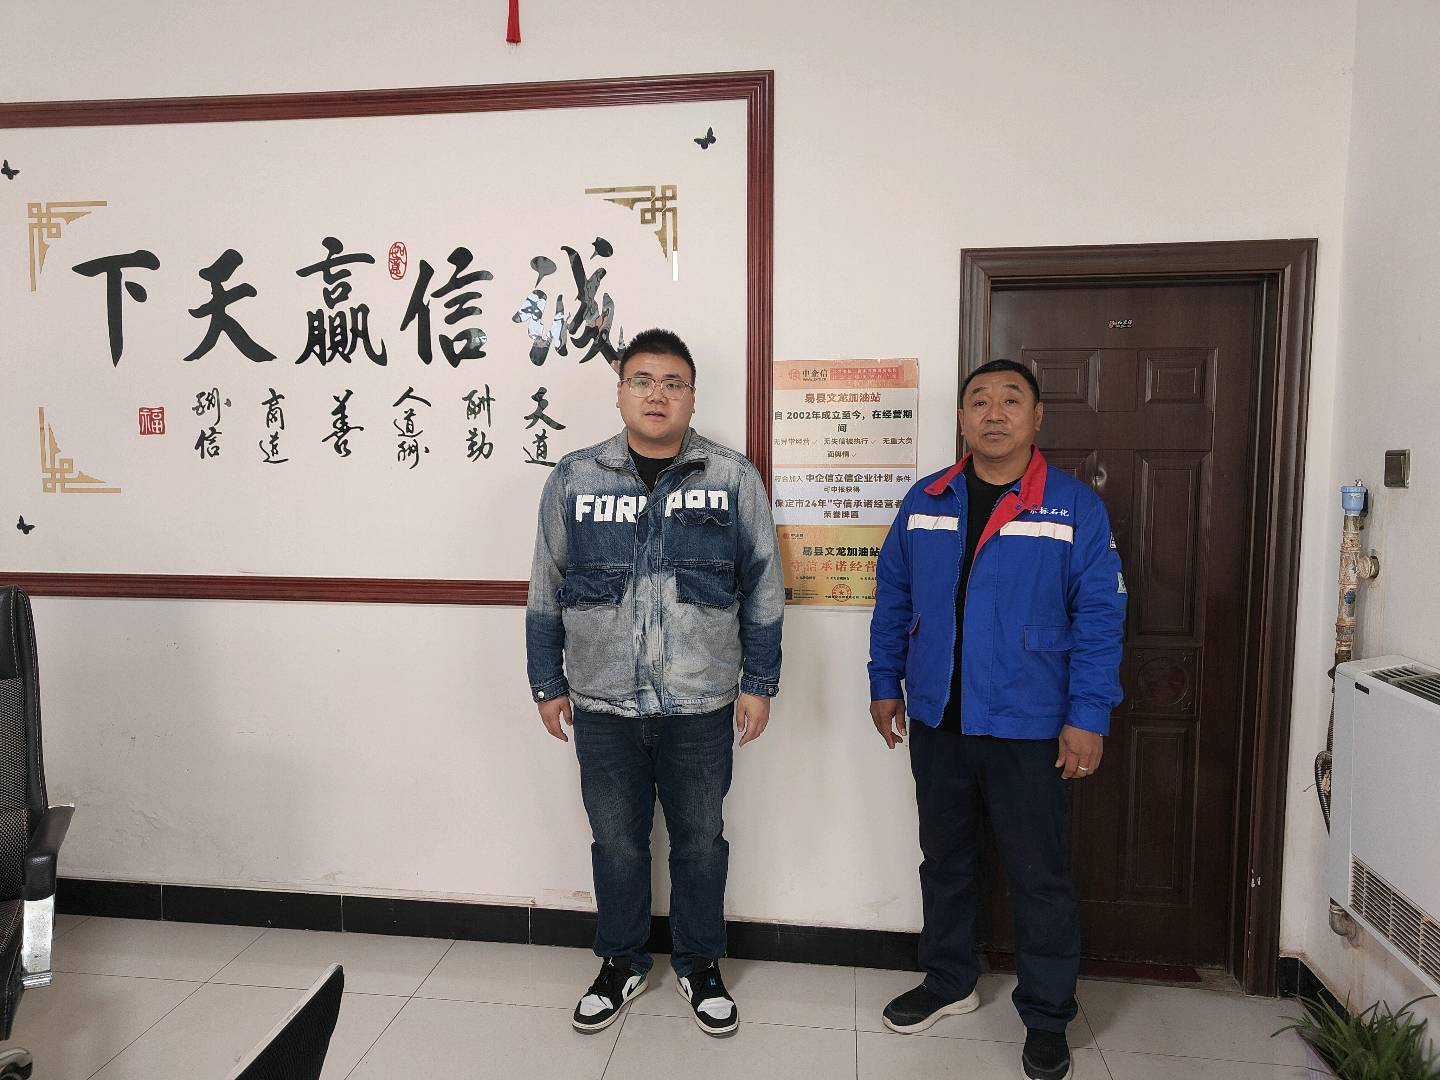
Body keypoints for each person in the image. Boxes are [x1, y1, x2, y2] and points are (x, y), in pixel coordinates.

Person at [867, 358, 1126, 1080]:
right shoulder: (927, 499)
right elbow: (893, 597)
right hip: (939, 720)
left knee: (1039, 876)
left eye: (1012, 399)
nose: (994, 412)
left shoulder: (1072, 508)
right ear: (961, 418)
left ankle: (1047, 1015)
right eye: (979, 400)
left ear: (1037, 417)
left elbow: (1100, 619)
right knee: (945, 861)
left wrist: (1089, 715)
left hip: (1030, 725)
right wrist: (885, 681)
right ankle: (949, 980)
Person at [526, 327, 784, 1037]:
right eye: (642, 381)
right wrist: (547, 682)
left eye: (673, 383)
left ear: (692, 396)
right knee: (617, 844)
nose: (657, 395)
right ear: (619, 393)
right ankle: (621, 961)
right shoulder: (575, 479)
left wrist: (759, 683)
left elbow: (764, 586)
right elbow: (546, 587)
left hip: (701, 702)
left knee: (701, 842)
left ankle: (701, 964)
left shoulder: (732, 478)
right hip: (602, 702)